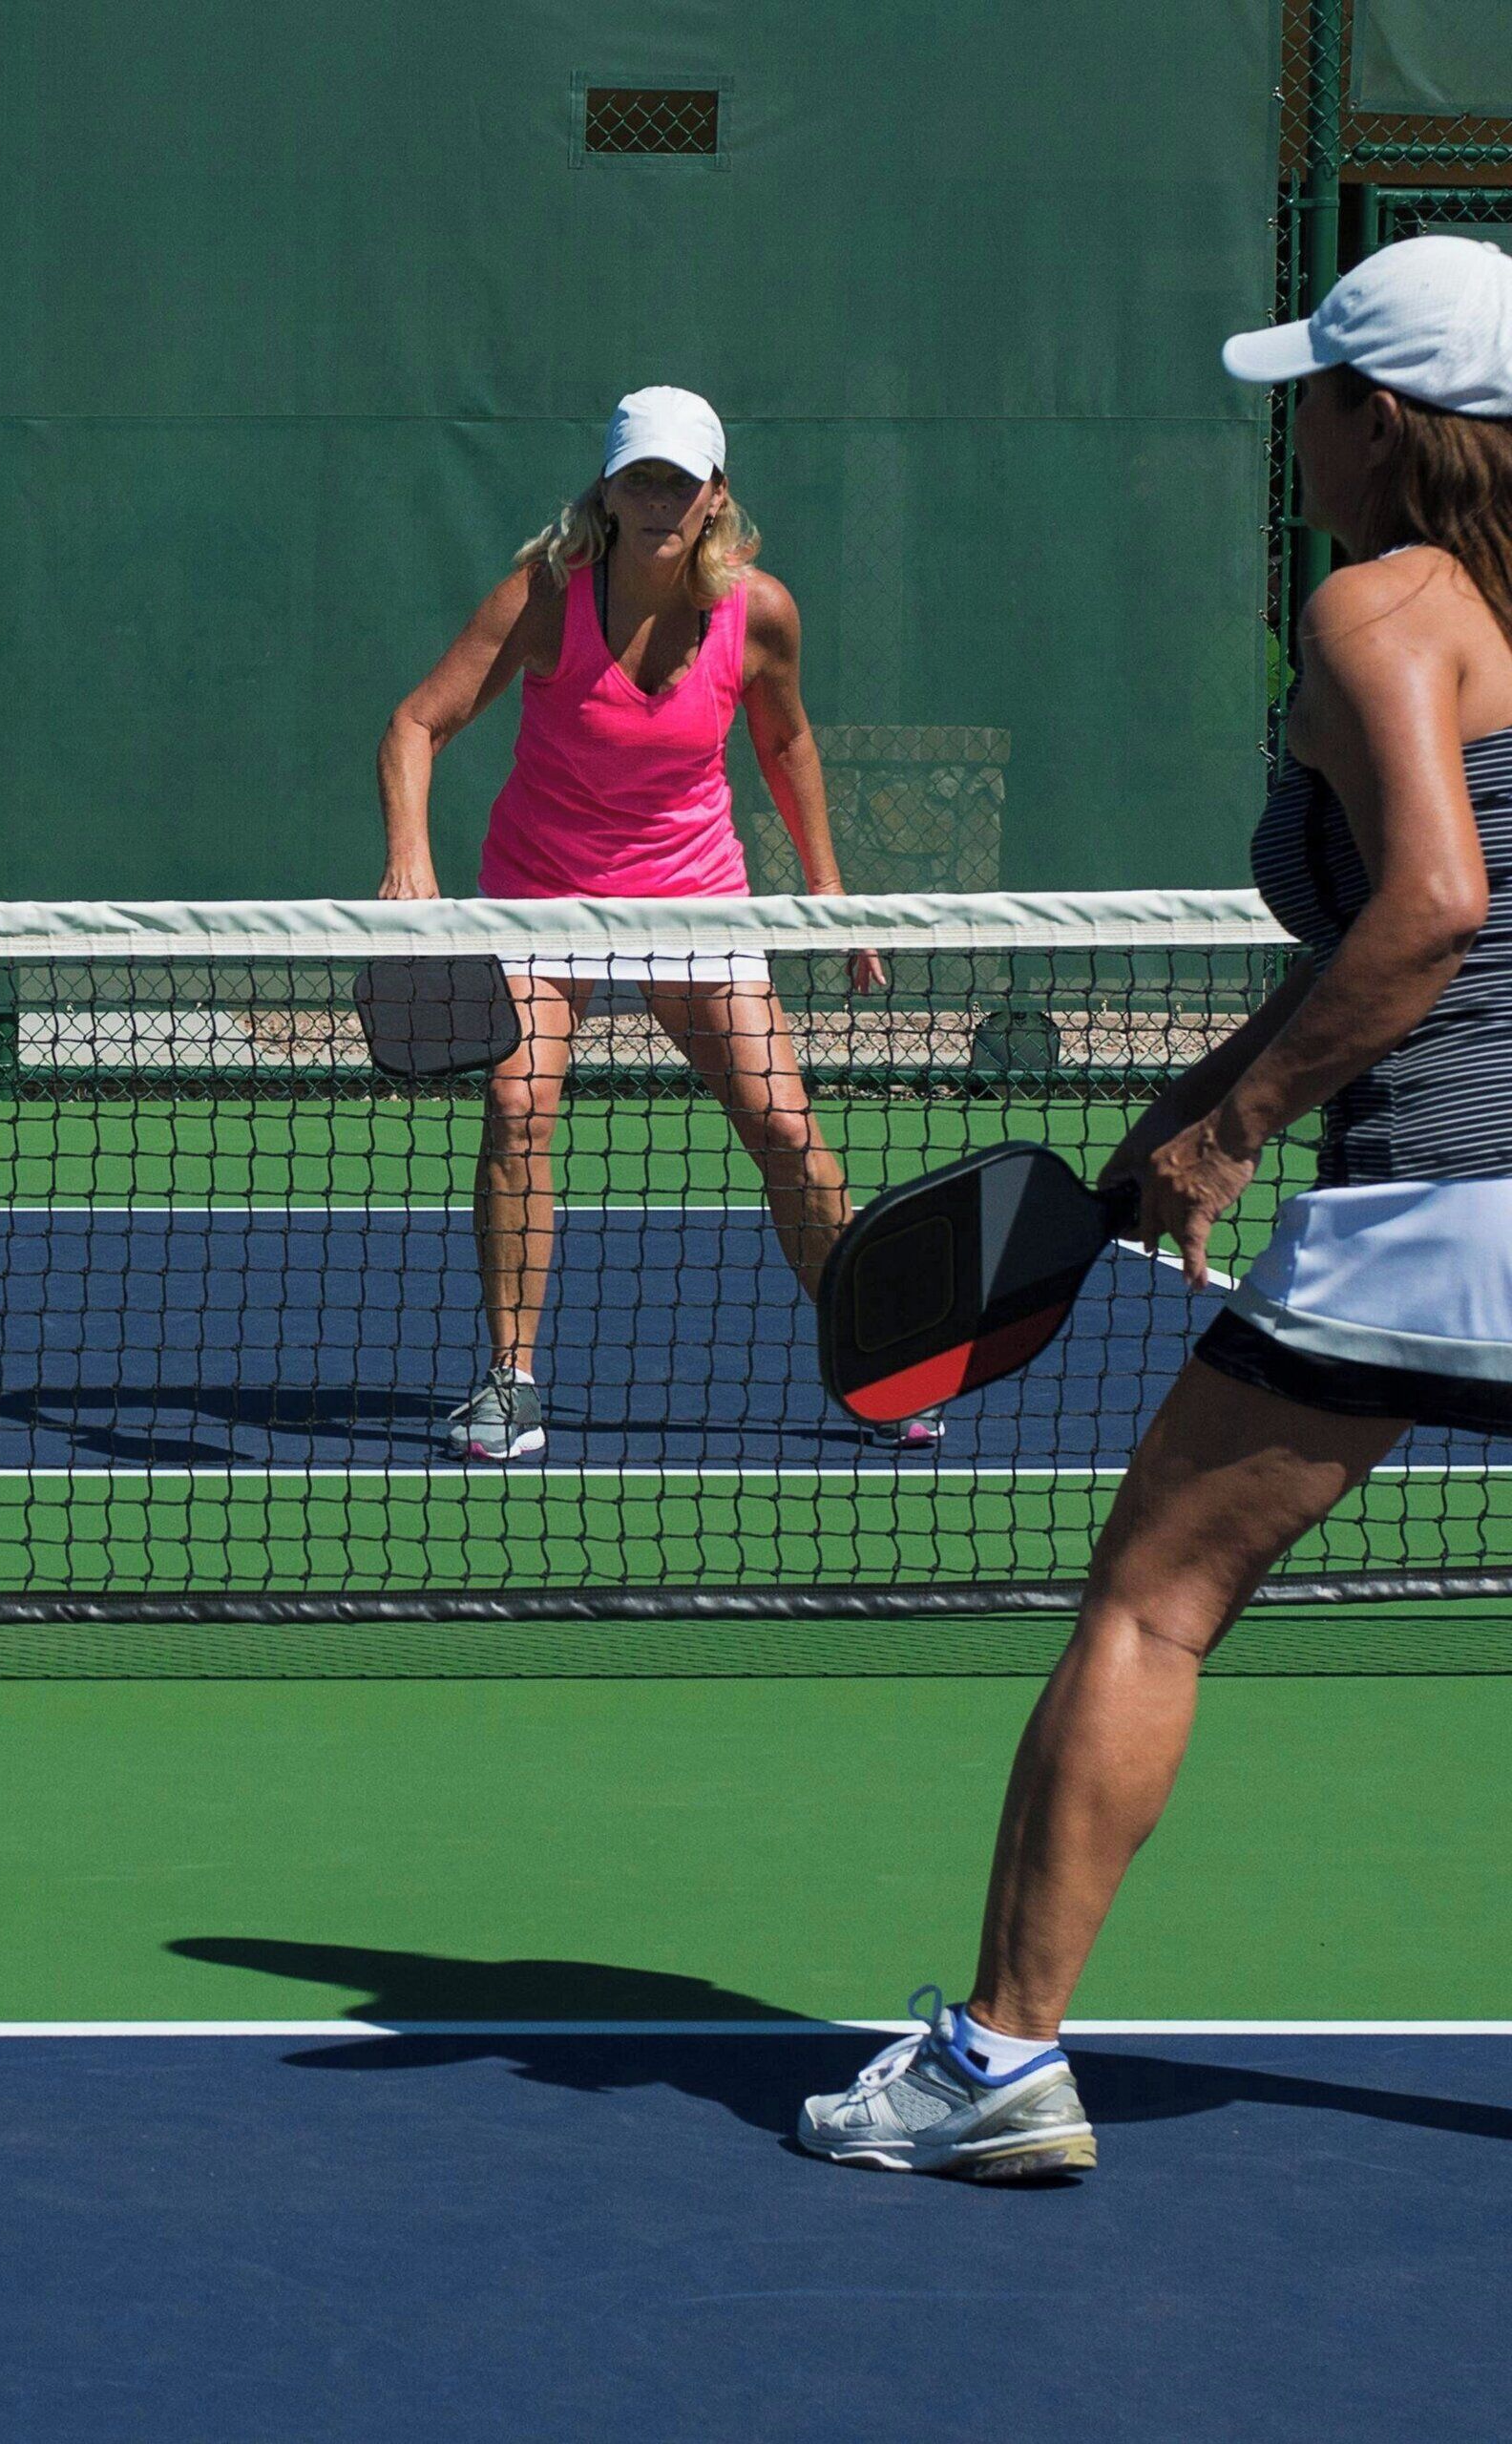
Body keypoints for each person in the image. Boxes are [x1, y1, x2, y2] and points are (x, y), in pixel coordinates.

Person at [799, 234, 1512, 2181]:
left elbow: (1439, 904)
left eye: (1317, 402)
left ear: (1384, 420)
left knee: (1155, 1604)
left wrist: (1245, 1125)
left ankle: (994, 2060)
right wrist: (1197, 1106)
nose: (1305, 437)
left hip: (1444, 1210)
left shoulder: (1385, 606)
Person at [379, 386, 904, 1464]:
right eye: (640, 478)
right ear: (609, 493)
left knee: (789, 1133)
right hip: (540, 894)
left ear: (716, 497)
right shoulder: (544, 594)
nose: (660, 498)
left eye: (681, 480)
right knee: (518, 1108)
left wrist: (829, 892)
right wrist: (412, 867)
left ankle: (878, 1357)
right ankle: (511, 1383)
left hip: (693, 898)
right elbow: (415, 726)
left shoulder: (759, 612)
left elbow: (788, 744)